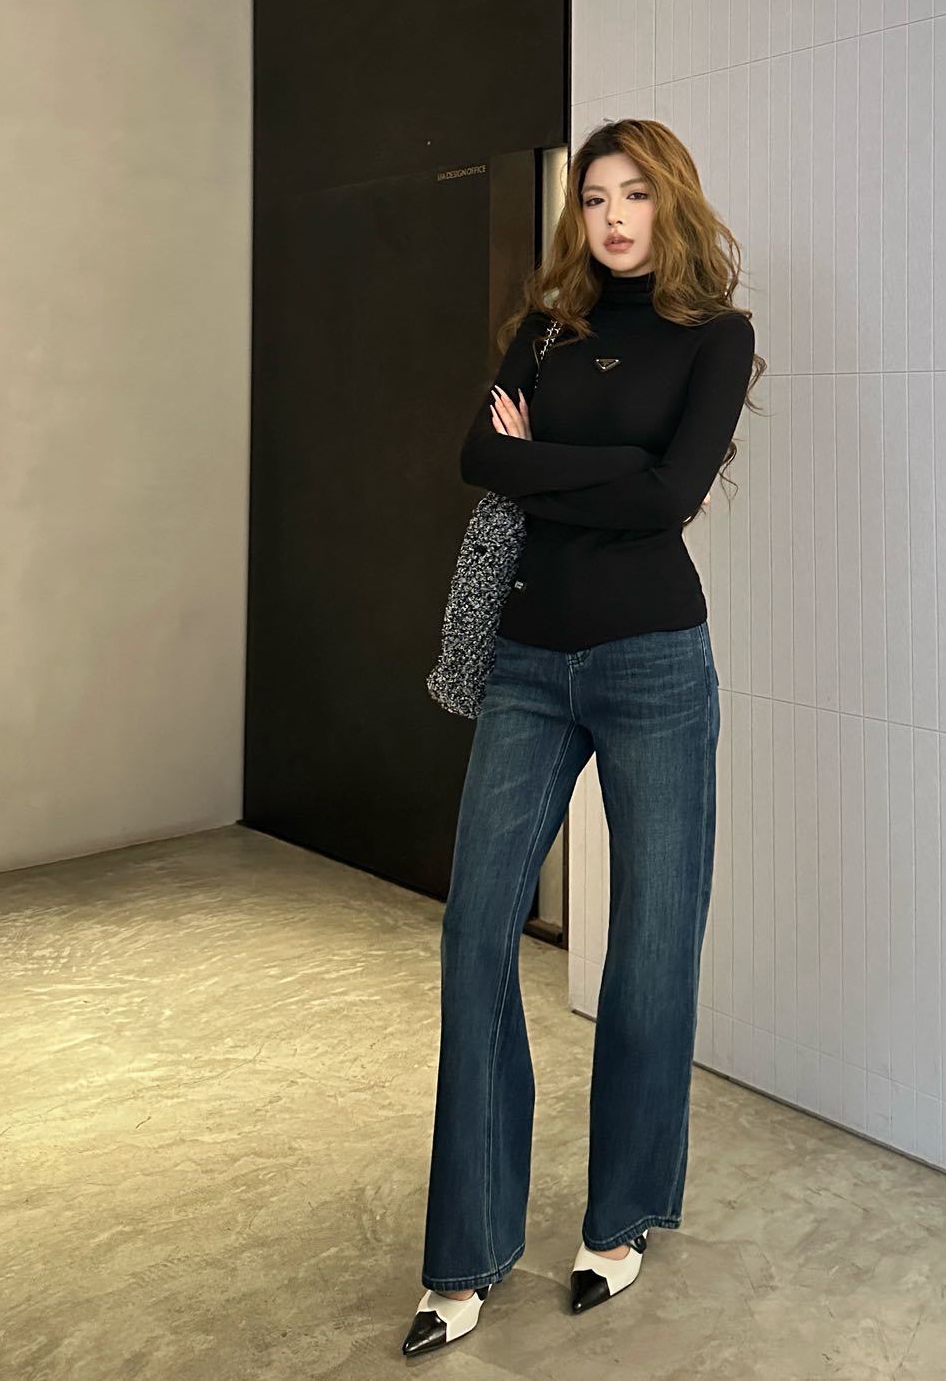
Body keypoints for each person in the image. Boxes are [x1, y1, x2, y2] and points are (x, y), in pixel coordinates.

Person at [402, 118, 763, 1357]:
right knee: (474, 933)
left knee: (652, 944)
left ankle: (621, 1216)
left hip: (654, 659)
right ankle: (463, 1254)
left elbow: (671, 496)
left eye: (634, 195)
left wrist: (540, 461)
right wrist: (605, 466)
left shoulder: (715, 337)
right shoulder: (547, 328)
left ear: (671, 204)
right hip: (524, 660)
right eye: (595, 196)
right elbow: (476, 455)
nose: (611, 216)